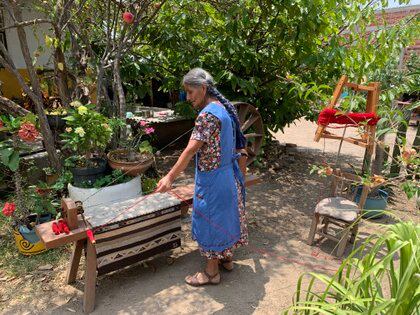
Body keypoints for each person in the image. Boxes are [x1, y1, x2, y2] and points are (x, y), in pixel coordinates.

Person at [155, 68, 248, 286]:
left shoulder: (207, 116)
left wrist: (169, 178)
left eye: (190, 92)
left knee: (211, 223)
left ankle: (211, 272)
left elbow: (189, 151)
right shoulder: (223, 109)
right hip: (227, 177)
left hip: (213, 181)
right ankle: (226, 259)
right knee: (224, 218)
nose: (187, 98)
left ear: (203, 88)